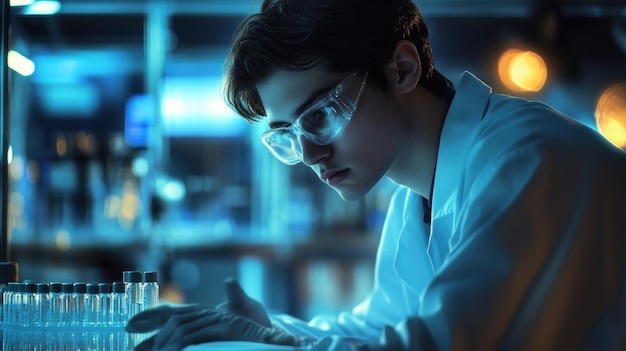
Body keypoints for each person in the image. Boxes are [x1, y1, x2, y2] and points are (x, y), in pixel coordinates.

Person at [125, 0, 626, 350]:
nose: (310, 153)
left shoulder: (527, 158)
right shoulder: (419, 193)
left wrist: (277, 342)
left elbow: (436, 345)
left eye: (319, 114)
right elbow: (385, 326)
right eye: (288, 136)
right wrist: (272, 328)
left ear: (402, 70)